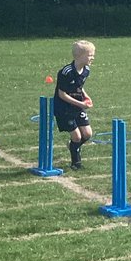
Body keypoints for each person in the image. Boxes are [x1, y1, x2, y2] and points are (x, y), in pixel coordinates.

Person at [54, 40, 96, 169]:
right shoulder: (66, 72)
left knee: (87, 134)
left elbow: (79, 86)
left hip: (77, 105)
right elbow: (62, 94)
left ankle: (72, 145)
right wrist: (80, 104)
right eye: (90, 55)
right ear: (79, 56)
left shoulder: (86, 70)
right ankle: (76, 163)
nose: (93, 57)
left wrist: (86, 96)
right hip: (64, 108)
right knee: (77, 136)